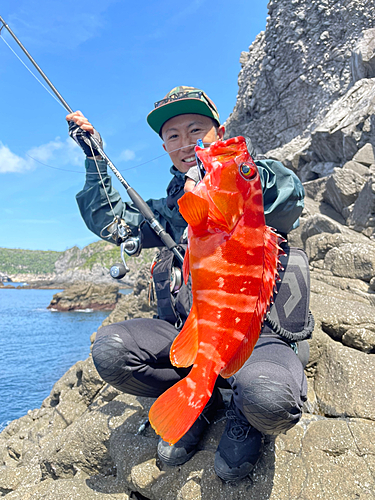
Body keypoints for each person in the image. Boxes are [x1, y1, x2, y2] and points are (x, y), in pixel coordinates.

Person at [66, 86, 310, 482]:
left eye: (197, 129)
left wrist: (238, 173)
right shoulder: (168, 210)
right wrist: (95, 160)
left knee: (270, 398)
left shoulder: (252, 183)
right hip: (193, 331)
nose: (186, 142)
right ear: (164, 147)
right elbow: (110, 220)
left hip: (258, 334)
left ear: (220, 131)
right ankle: (204, 395)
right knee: (111, 352)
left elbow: (290, 198)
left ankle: (243, 411)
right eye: (173, 136)